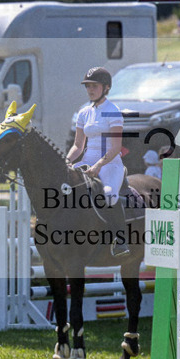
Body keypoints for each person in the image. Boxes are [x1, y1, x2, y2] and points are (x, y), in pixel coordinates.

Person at [67, 67, 130, 258]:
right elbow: (78, 145)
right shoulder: (83, 112)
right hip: (87, 160)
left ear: (106, 87)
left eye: (94, 86)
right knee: (65, 187)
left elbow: (115, 147)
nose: (90, 90)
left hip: (110, 163)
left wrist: (98, 166)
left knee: (109, 195)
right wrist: (67, 161)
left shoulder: (113, 112)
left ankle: (121, 240)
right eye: (88, 86)